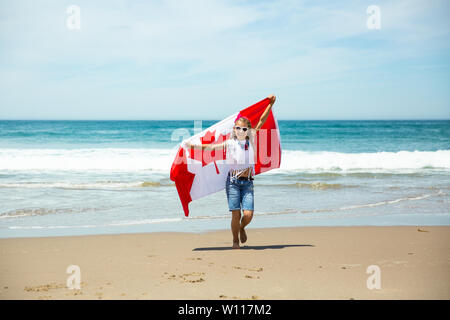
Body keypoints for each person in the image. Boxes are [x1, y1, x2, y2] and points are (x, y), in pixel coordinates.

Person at [185, 94, 276, 249]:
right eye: (238, 128)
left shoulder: (250, 140)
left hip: (247, 183)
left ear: (248, 130)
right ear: (235, 129)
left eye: (244, 128)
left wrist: (270, 105)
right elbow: (212, 147)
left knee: (248, 215)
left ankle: (241, 228)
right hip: (233, 182)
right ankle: (235, 240)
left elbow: (261, 120)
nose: (241, 130)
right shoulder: (230, 143)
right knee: (236, 214)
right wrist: (194, 146)